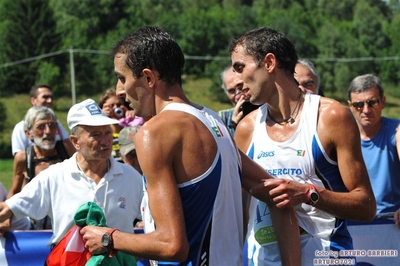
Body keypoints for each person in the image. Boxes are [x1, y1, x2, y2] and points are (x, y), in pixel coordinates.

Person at [80, 26, 301, 266]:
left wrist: (109, 238)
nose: (119, 90)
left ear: (148, 78)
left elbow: (172, 245)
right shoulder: (213, 121)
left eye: (122, 78)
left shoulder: (154, 133)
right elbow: (279, 195)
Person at [230, 27, 376, 265]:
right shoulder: (246, 128)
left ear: (269, 63)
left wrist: (308, 194)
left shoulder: (330, 116)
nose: (237, 80)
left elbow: (366, 206)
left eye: (240, 67)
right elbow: (239, 214)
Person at [0, 98, 143, 247]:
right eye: (95, 135)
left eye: (107, 132)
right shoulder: (54, 177)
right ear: (75, 142)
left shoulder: (131, 177)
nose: (105, 141)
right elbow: (10, 207)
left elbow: (156, 216)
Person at [347, 73, 400, 215]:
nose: (365, 110)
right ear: (350, 106)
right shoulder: (343, 136)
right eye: (359, 104)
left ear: (383, 102)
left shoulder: (396, 131)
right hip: (356, 220)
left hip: (392, 219)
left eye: (372, 103)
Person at [7, 106, 75, 199]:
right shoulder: (24, 158)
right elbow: (15, 192)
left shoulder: (67, 148)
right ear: (28, 133)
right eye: (41, 127)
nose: (48, 131)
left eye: (52, 125)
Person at [11, 84, 70, 156]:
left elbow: (68, 145)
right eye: (45, 97)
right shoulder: (20, 127)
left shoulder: (57, 123)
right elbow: (19, 157)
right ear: (33, 100)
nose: (50, 100)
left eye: (51, 97)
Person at [217, 65, 246, 135]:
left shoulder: (268, 116)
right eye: (232, 91)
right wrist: (233, 125)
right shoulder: (220, 120)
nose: (237, 96)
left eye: (241, 88)